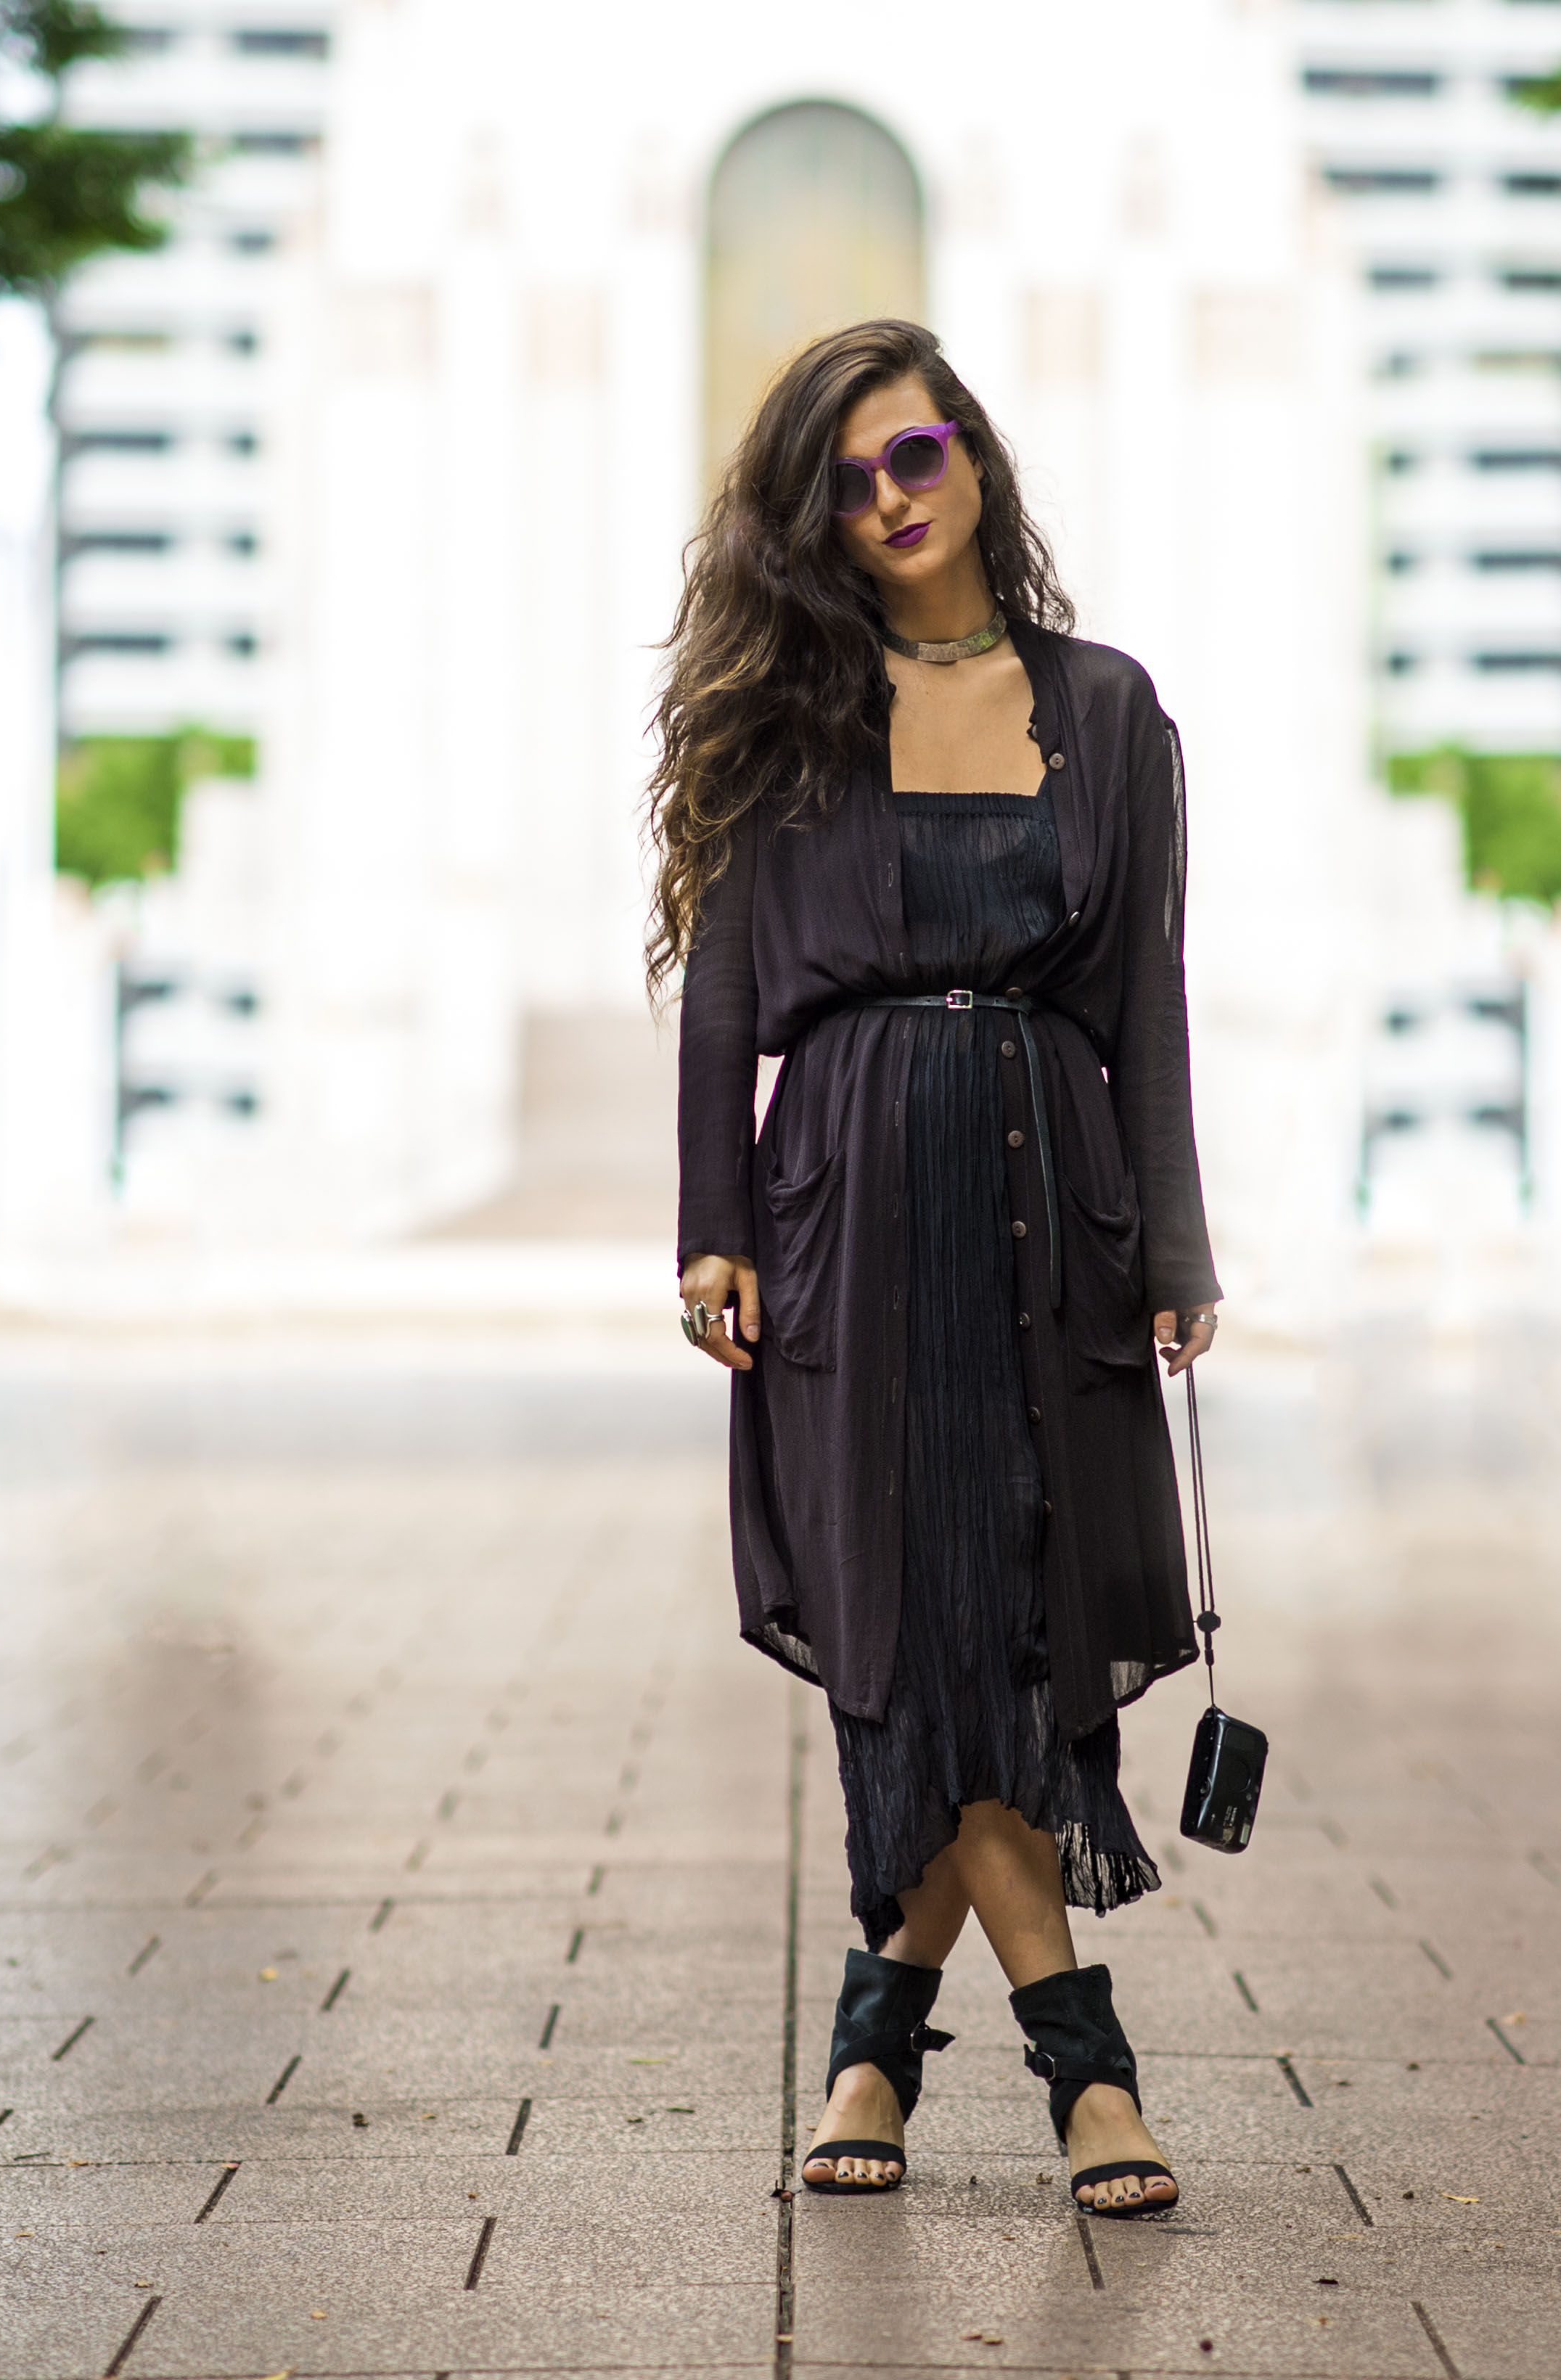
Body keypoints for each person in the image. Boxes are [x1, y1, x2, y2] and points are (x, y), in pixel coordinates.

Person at [650, 321, 1220, 2219]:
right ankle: (1091, 2080)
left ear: (974, 454)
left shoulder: (1113, 708)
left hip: (1050, 1202)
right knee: (910, 1636)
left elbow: (1147, 990)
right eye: (846, 481)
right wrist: (709, 1220)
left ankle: (875, 2043)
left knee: (1015, 1638)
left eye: (915, 454)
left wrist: (1179, 1234)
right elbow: (726, 987)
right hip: (841, 1210)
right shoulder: (783, 711)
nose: (889, 498)